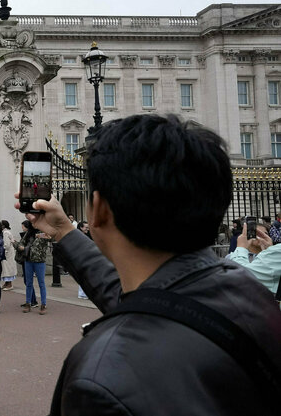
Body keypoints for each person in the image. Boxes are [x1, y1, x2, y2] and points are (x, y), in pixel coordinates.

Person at [22, 114, 281, 415]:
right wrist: (65, 232)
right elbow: (144, 298)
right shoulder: (248, 291)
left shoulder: (102, 374)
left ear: (99, 210)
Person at [226, 225, 281, 295]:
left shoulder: (273, 255)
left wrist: (241, 248)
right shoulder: (231, 257)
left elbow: (244, 275)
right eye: (255, 234)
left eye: (265, 234)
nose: (259, 237)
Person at [17, 221, 50, 314]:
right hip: (28, 260)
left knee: (41, 283)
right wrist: (22, 247)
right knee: (29, 283)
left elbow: (52, 238)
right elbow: (21, 243)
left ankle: (43, 305)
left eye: (36, 222)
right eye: (33, 223)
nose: (35, 224)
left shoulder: (43, 232)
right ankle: (28, 303)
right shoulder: (28, 233)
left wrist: (44, 235)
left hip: (39, 261)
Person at [75, 221, 91, 300]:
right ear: (81, 227)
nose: (87, 229)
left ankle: (84, 293)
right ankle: (82, 294)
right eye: (86, 227)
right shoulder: (79, 236)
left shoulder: (84, 235)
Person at [0, 220, 17, 291]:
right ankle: (6, 283)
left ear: (3, 226)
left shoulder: (5, 233)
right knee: (6, 268)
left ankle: (9, 284)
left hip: (7, 253)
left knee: (7, 268)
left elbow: (6, 244)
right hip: (8, 253)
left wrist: (2, 249)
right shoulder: (5, 232)